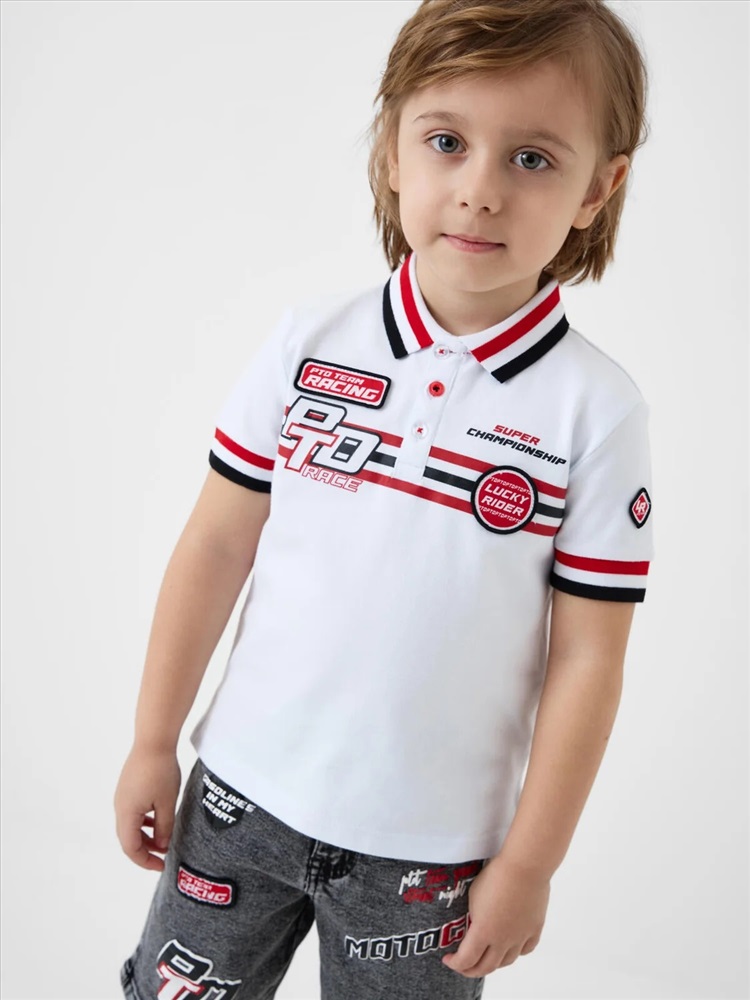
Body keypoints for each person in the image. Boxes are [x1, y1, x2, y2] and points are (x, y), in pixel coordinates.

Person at [114, 1, 654, 997]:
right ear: (392, 149)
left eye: (532, 158)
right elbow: (215, 546)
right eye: (447, 142)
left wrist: (531, 862)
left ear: (598, 188)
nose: (480, 190)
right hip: (236, 804)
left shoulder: (597, 412)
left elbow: (589, 658)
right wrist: (154, 739)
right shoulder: (307, 343)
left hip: (432, 863)